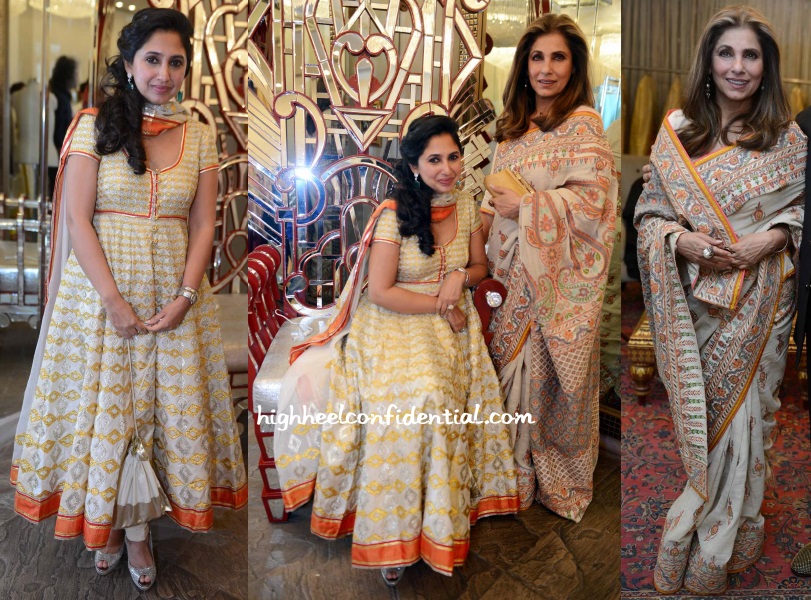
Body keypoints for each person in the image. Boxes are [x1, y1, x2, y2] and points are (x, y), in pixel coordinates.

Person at [10, 8, 247, 592]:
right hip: (100, 298)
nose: (164, 74)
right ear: (129, 62)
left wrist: (186, 295)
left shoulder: (198, 135)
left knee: (159, 417)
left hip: (174, 301)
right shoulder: (94, 125)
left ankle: (138, 530)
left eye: (176, 62)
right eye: (152, 60)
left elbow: (203, 226)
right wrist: (113, 300)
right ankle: (113, 525)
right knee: (107, 415)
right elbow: (78, 219)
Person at [273, 114, 519, 586]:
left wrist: (458, 278)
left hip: (448, 319)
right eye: (434, 160)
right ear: (414, 165)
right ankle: (393, 530)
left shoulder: (467, 205)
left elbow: (479, 267)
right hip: (393, 319)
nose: (447, 169)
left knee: (437, 395)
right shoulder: (392, 214)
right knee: (413, 397)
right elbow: (382, 292)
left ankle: (437, 518)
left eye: (453, 157)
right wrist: (441, 304)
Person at [634, 6, 805, 595]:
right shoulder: (678, 132)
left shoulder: (788, 140)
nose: (738, 66)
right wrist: (680, 240)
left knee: (752, 415)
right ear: (708, 61)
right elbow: (649, 212)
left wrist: (771, 239)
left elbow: (802, 211)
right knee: (704, 415)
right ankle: (709, 517)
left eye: (750, 55)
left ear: (766, 66)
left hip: (763, 299)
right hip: (694, 300)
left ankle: (729, 531)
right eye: (726, 53)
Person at [480, 13, 618, 523]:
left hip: (553, 282)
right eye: (537, 57)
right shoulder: (512, 131)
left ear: (573, 66)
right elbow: (490, 201)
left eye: (558, 57)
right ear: (523, 65)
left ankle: (544, 473)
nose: (546, 68)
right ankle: (507, 474)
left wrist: (529, 207)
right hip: (503, 273)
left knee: (543, 377)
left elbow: (594, 205)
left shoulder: (584, 127)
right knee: (502, 370)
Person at [48, 56, 78, 198]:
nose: (77, 77)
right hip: (58, 151)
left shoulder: (62, 95)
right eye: (75, 73)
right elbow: (60, 129)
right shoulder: (61, 98)